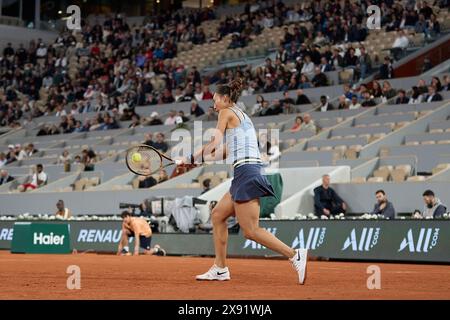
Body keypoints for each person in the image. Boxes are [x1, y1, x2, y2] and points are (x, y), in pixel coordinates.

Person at [179, 78, 307, 284]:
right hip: (245, 172)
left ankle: (294, 255)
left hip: (247, 172)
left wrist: (190, 158)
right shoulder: (243, 116)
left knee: (251, 231)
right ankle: (220, 269)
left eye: (215, 99)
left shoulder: (225, 112)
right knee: (218, 215)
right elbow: (226, 151)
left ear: (225, 98)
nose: (213, 104)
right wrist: (198, 160)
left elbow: (214, 142)